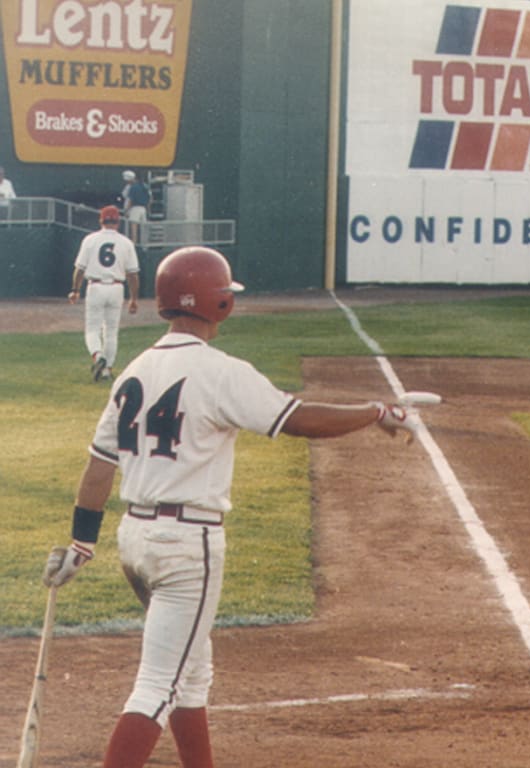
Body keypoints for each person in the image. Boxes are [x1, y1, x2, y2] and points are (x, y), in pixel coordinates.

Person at [41, 245, 427, 768]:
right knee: (159, 684)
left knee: (191, 673)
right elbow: (298, 418)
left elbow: (99, 466)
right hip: (186, 547)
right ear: (217, 303)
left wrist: (80, 545)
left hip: (133, 540)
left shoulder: (134, 371)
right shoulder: (220, 371)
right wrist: (376, 411)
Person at [69, 206, 141, 382]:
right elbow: (133, 274)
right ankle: (107, 370)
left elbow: (79, 269)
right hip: (117, 287)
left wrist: (75, 290)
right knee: (111, 331)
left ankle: (97, 355)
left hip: (95, 285)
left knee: (92, 330)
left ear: (101, 221)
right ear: (118, 222)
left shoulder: (90, 239)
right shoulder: (126, 242)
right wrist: (133, 299)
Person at [119, 170, 150, 241]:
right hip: (143, 209)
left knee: (134, 228)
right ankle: (145, 245)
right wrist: (148, 209)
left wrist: (126, 210)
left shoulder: (133, 188)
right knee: (143, 228)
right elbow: (150, 199)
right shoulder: (144, 186)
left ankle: (134, 243)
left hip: (135, 209)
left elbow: (130, 200)